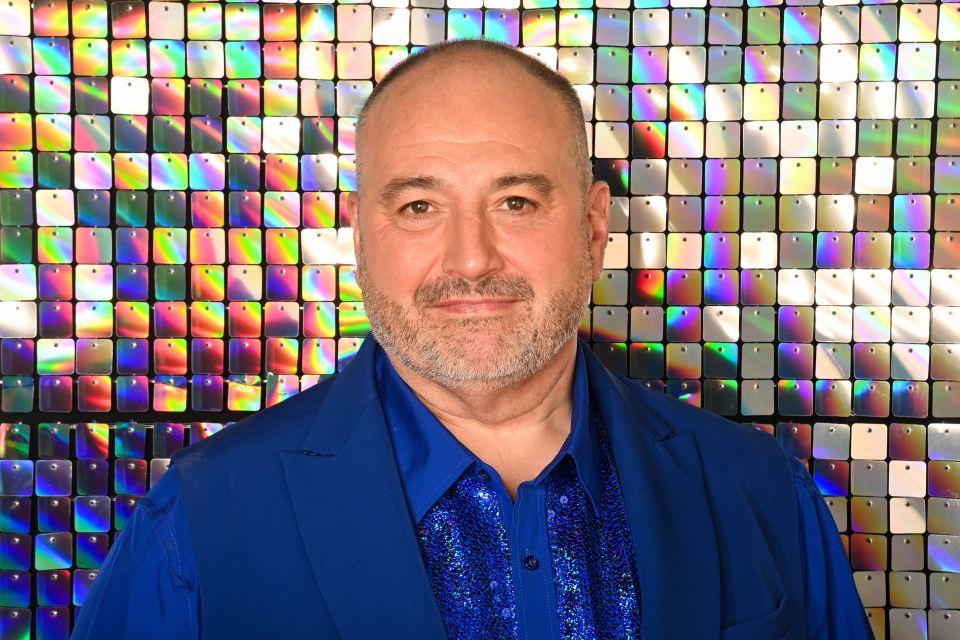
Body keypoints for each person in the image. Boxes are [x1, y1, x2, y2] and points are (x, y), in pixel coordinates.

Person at [72, 39, 873, 639]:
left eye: (516, 202)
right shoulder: (199, 520)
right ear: (360, 235)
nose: (471, 260)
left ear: (595, 227)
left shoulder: (762, 491)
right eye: (419, 207)